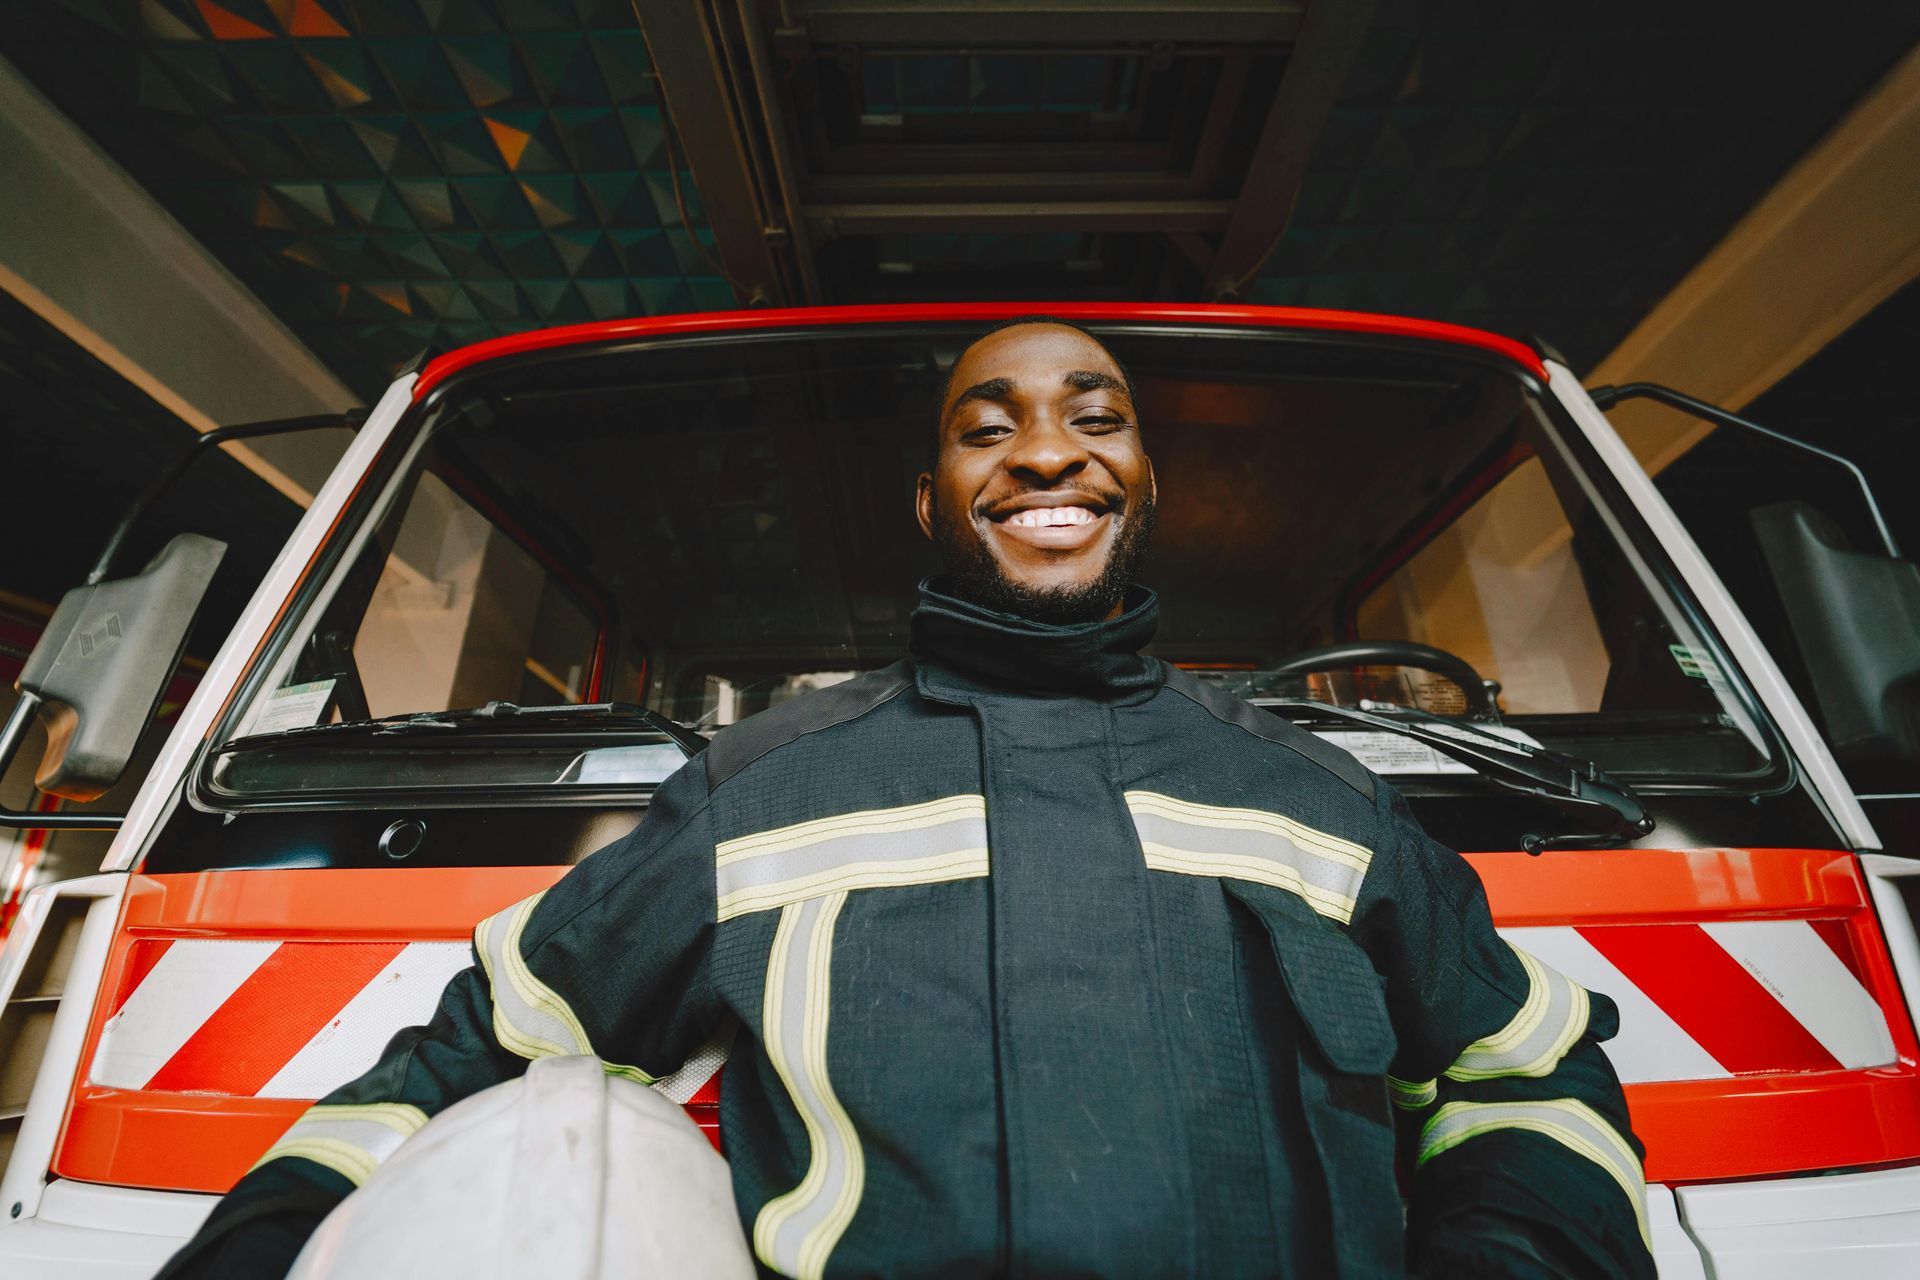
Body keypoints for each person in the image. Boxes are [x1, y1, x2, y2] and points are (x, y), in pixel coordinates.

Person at [162, 319, 1655, 1279]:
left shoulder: (1319, 804)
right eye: (986, 424)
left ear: (1144, 479)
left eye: (1097, 414)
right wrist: (262, 1252)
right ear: (933, 500)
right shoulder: (760, 794)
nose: (1049, 448)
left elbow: (1534, 1079)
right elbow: (477, 1060)